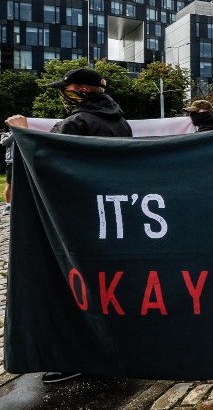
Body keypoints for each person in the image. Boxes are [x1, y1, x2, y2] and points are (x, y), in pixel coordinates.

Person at [5, 67, 132, 384]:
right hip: (113, 219)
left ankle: (80, 354)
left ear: (82, 92)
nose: (63, 93)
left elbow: (46, 161)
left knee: (76, 289)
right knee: (110, 286)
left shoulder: (77, 123)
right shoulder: (121, 123)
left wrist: (23, 133)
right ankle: (117, 346)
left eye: (68, 88)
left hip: (79, 219)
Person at [2, 129, 13, 215]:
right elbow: (5, 143)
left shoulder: (24, 132)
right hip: (11, 162)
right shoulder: (6, 134)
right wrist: (15, 133)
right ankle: (8, 205)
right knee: (9, 184)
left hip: (24, 162)